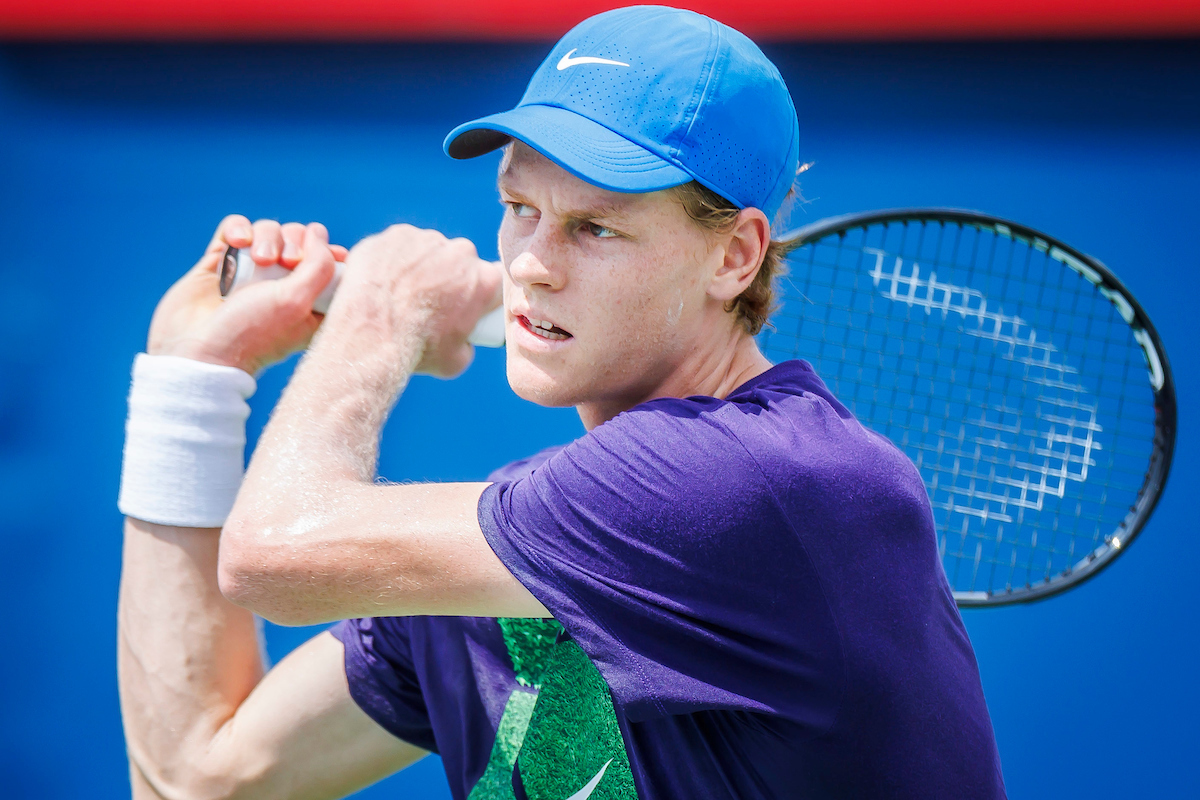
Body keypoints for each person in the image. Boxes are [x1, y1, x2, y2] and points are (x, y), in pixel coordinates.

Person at [117, 6, 1006, 799]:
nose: (534, 262)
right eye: (519, 208)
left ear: (734, 256)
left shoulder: (761, 480)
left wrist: (379, 318)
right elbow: (199, 777)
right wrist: (191, 381)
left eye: (595, 227)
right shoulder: (502, 559)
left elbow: (272, 553)